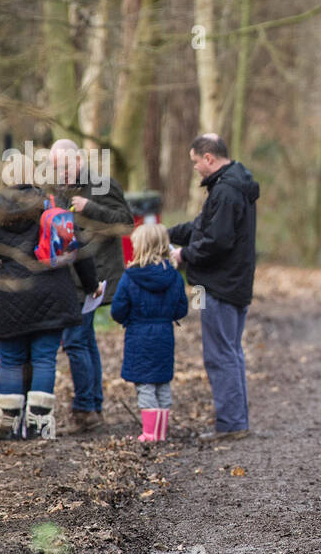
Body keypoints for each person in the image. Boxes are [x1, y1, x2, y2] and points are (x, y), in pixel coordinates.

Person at [0, 175, 100, 440]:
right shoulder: (50, 206)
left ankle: (8, 424)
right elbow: (78, 250)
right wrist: (91, 285)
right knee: (44, 359)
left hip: (12, 295)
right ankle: (38, 424)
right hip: (52, 295)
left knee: (10, 360)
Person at [168, 133, 259, 440]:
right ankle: (235, 421)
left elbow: (216, 241)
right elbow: (200, 227)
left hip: (219, 285)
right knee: (230, 351)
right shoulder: (229, 186)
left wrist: (182, 254)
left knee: (219, 354)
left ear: (209, 158)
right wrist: (166, 234)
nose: (194, 168)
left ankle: (231, 424)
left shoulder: (226, 191)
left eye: (195, 162)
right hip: (233, 283)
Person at [49, 139, 133, 435]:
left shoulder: (100, 184)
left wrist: (92, 207)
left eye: (65, 166)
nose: (61, 173)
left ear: (80, 161)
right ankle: (92, 406)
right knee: (84, 340)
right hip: (70, 275)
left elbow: (126, 223)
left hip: (94, 275)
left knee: (74, 340)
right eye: (56, 168)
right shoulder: (60, 191)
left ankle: (86, 408)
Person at [110, 223, 188, 442]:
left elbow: (117, 309)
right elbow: (182, 308)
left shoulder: (130, 276)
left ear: (139, 246)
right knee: (162, 382)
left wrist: (128, 319)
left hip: (139, 335)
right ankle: (160, 432)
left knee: (145, 384)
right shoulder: (174, 276)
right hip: (164, 335)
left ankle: (149, 433)